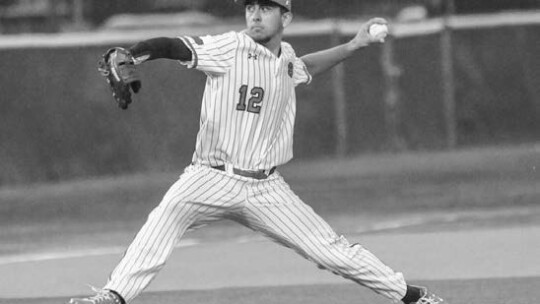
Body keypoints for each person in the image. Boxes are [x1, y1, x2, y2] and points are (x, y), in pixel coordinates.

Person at [68, 1, 446, 303]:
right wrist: (134, 55)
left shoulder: (285, 57)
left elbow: (302, 68)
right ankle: (112, 297)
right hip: (209, 176)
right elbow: (173, 46)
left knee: (331, 251)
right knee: (161, 224)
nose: (255, 14)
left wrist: (353, 45)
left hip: (267, 188)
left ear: (287, 16)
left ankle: (412, 297)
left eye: (265, 7)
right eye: (250, 6)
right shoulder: (230, 47)